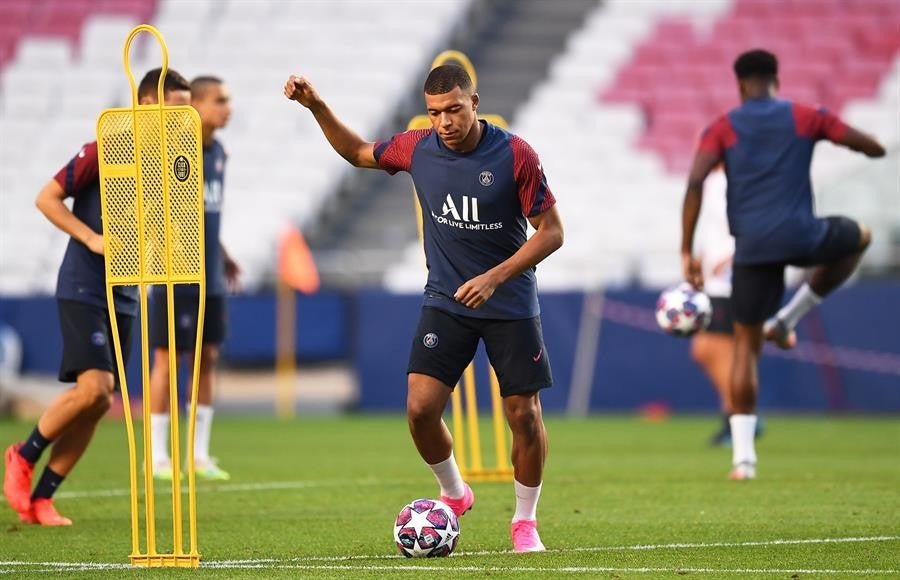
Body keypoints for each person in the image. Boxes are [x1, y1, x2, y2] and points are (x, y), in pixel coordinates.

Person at [283, 64, 563, 552]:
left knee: (523, 415)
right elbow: (356, 152)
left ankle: (525, 523)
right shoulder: (417, 147)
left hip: (510, 302)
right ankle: (455, 494)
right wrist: (316, 107)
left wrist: (495, 277)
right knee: (419, 410)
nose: (444, 122)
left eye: (454, 109)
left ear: (474, 102)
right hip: (446, 300)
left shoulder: (515, 154)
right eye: (434, 113)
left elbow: (552, 232)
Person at [681, 49, 885, 480]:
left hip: (752, 249)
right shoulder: (805, 115)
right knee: (859, 236)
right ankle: (790, 318)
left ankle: (743, 461)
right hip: (802, 235)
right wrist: (864, 143)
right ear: (776, 78)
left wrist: (686, 251)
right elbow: (871, 146)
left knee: (746, 351)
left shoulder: (722, 127)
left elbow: (695, 182)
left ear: (739, 85)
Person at [3, 68, 192, 525]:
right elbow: (46, 197)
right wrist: (91, 238)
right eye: (177, 105)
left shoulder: (172, 161)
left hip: (126, 290)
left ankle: (43, 497)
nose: (185, 116)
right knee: (95, 388)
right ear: (148, 105)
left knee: (101, 401)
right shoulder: (106, 147)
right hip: (84, 284)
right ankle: (22, 456)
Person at [148, 76, 237, 481]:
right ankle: (157, 455)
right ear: (196, 105)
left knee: (208, 358)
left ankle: (198, 455)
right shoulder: (174, 152)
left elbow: (204, 214)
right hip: (175, 273)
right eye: (220, 100)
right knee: (168, 359)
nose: (228, 107)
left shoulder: (218, 152)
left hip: (211, 275)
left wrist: (223, 255)